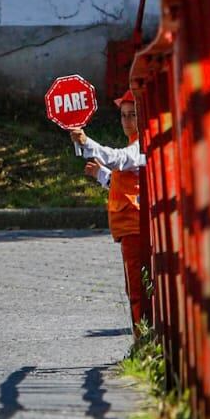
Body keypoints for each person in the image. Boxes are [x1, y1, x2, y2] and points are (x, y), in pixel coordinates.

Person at [69, 92, 147, 334]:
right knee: (134, 289)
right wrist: (101, 175)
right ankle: (143, 338)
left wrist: (87, 143)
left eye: (132, 115)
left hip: (135, 226)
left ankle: (143, 340)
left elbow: (119, 160)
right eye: (123, 116)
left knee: (137, 290)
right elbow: (124, 179)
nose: (126, 121)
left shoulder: (141, 144)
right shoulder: (136, 144)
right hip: (129, 227)